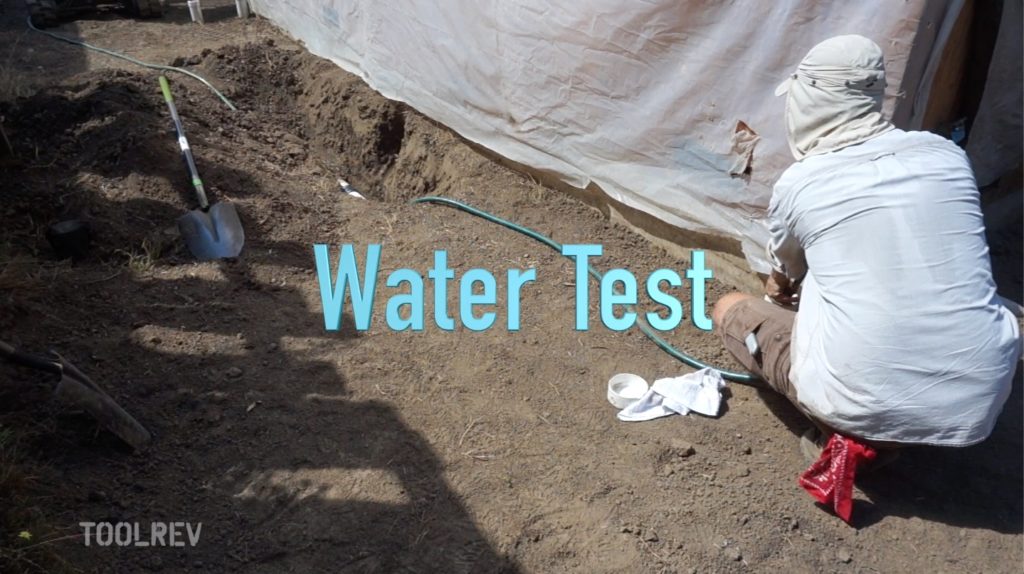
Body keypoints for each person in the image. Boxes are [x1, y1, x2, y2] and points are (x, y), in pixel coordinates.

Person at [712, 35, 1021, 456]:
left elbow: (782, 280)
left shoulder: (803, 182)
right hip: (980, 401)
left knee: (731, 307)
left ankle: (849, 434)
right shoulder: (946, 155)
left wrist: (779, 291)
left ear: (808, 100)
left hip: (859, 404)